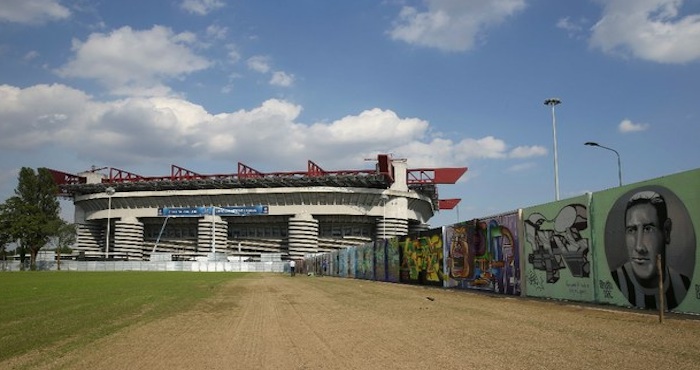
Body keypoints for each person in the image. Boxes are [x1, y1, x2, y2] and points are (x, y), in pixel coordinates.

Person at [611, 191, 690, 310]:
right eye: (632, 230)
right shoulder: (617, 280)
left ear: (666, 231)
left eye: (648, 229)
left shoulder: (683, 284)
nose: (639, 247)